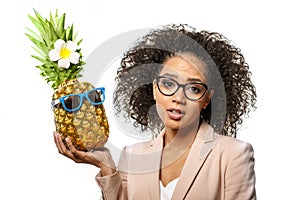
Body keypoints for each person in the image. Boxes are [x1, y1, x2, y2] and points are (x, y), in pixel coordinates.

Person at [54, 24, 257, 199]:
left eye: (194, 88)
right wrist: (107, 166)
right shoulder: (132, 155)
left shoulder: (233, 154)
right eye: (168, 84)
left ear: (207, 99)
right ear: (153, 89)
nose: (178, 98)